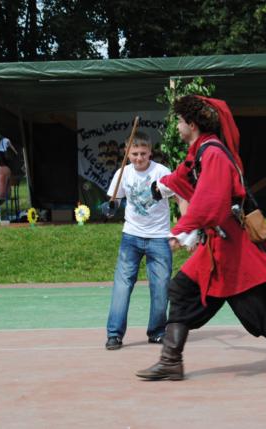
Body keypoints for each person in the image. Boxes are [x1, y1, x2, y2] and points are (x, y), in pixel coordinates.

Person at [136, 95, 266, 380]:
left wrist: (182, 229)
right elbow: (183, 176)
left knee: (252, 308)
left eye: (179, 121)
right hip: (216, 246)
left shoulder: (213, 153)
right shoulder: (200, 151)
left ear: (192, 124)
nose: (177, 126)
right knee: (181, 291)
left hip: (232, 248)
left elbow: (211, 200)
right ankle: (171, 361)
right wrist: (159, 186)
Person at [103, 131, 173, 350]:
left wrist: (182, 229)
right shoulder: (122, 173)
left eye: (143, 153)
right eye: (134, 154)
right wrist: (110, 207)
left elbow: (179, 196)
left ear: (150, 152)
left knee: (161, 286)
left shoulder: (162, 172)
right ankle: (114, 334)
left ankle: (157, 332)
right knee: (122, 286)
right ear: (127, 152)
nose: (139, 158)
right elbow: (115, 199)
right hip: (131, 236)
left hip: (159, 237)